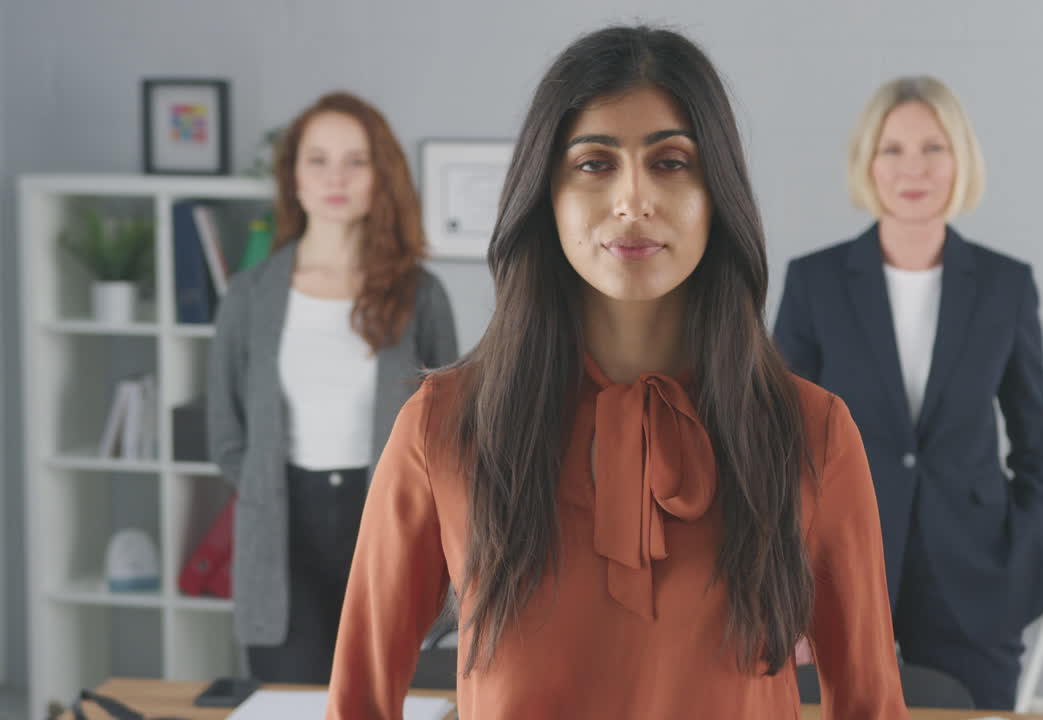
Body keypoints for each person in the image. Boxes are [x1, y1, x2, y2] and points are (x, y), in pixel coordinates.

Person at [327, 25, 908, 720]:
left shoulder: (812, 433)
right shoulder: (442, 425)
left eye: (671, 162)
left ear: (717, 194)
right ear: (546, 194)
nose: (633, 200)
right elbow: (358, 702)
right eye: (595, 164)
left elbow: (871, 705)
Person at [773, 75, 1043, 709]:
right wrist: (790, 564)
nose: (914, 168)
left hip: (975, 575)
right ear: (868, 163)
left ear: (961, 160)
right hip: (840, 569)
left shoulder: (1006, 285)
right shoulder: (815, 282)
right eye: (893, 149)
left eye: (934, 148)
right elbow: (779, 440)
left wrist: (1022, 544)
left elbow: (1036, 439)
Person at [206, 91, 459, 683]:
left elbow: (451, 427)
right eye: (317, 160)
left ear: (380, 176)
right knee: (289, 699)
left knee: (387, 695)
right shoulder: (249, 295)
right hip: (281, 529)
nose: (335, 178)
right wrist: (264, 488)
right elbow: (226, 431)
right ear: (293, 175)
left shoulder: (420, 295)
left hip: (388, 519)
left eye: (355, 161)